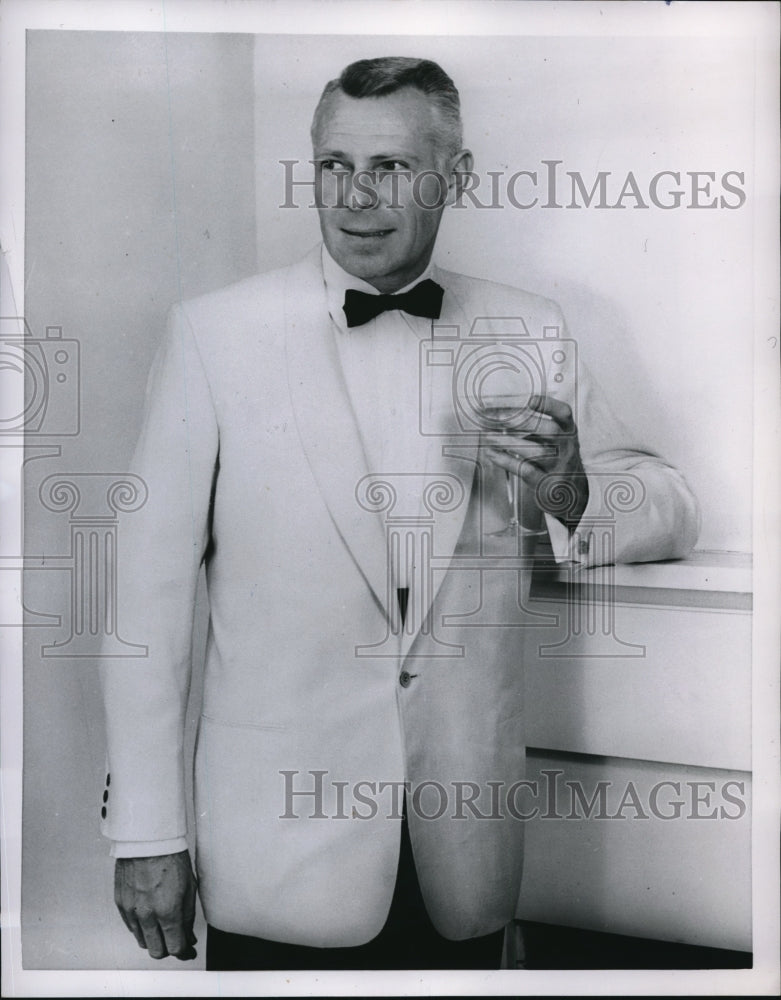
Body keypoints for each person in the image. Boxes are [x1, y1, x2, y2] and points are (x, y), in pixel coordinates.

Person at [100, 56, 700, 971]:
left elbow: (671, 507)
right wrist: (146, 832)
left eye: (390, 168)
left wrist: (570, 489)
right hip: (275, 852)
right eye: (335, 166)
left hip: (464, 855)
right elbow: (142, 606)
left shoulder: (529, 329)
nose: (356, 197)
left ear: (454, 176)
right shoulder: (212, 334)